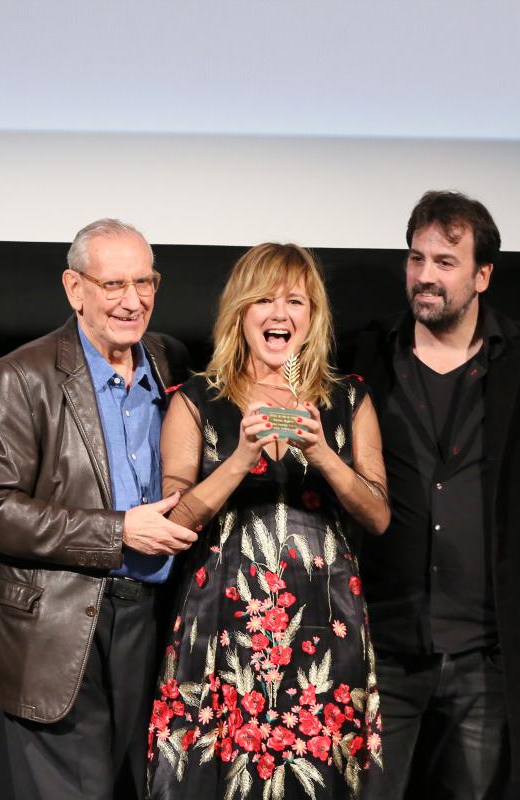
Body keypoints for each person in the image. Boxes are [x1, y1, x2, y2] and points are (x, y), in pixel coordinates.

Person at [352, 191, 520, 798]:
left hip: (487, 653)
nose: (425, 276)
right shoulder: (367, 354)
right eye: (416, 258)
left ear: (482, 275)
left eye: (445, 262)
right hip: (380, 650)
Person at [146, 243, 390, 800]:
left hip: (322, 640)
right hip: (220, 635)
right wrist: (239, 459)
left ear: (312, 317)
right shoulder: (196, 400)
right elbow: (174, 521)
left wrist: (324, 454)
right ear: (241, 312)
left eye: (295, 301)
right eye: (264, 299)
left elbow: (378, 516)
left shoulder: (349, 399)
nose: (280, 314)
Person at [0, 219, 197, 800]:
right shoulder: (23, 375)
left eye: (145, 282)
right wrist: (118, 531)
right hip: (59, 627)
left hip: (153, 621)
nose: (133, 300)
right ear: (75, 289)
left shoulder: (170, 361)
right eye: (113, 283)